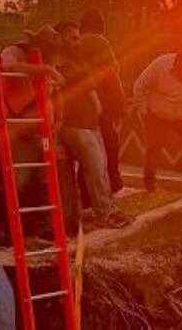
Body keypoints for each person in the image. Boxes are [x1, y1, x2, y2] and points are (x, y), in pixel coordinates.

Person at [53, 21, 132, 228]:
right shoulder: (58, 64)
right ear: (60, 39)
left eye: (78, 37)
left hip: (91, 124)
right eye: (72, 37)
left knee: (102, 169)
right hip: (75, 124)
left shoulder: (77, 61)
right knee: (96, 169)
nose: (78, 42)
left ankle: (109, 210)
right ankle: (105, 213)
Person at [0, 25, 65, 237]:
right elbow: (7, 67)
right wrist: (43, 70)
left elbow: (56, 92)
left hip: (45, 130)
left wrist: (59, 119)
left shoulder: (49, 63)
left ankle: (47, 229)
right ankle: (13, 230)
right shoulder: (13, 52)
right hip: (22, 130)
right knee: (19, 181)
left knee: (47, 182)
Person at [133, 43, 182, 192]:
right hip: (157, 112)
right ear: (177, 63)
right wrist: (143, 111)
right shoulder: (159, 65)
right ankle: (149, 183)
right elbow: (139, 86)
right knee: (153, 148)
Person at [79, 9, 124, 193]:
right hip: (99, 102)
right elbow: (112, 72)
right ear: (101, 26)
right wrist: (120, 104)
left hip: (76, 103)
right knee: (107, 143)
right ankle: (112, 180)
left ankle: (85, 189)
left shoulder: (76, 41)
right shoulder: (98, 41)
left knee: (87, 150)